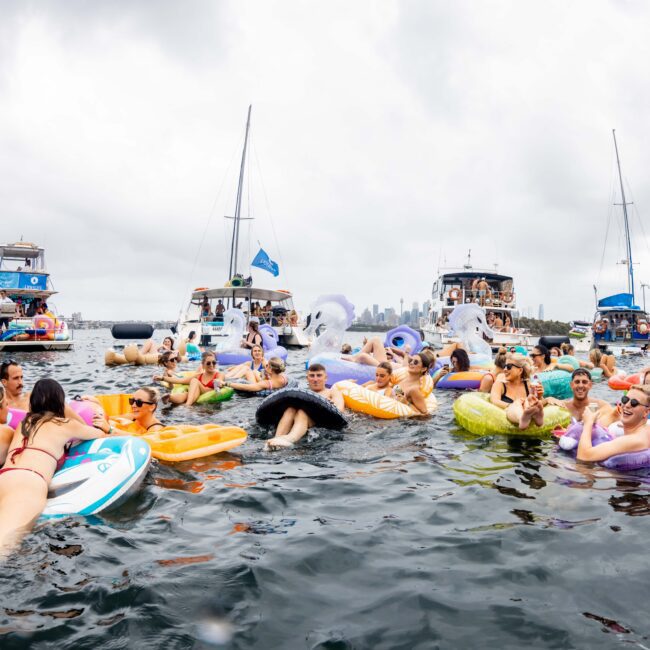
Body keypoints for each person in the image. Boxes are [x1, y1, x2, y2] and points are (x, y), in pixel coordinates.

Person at [0, 378, 108, 554]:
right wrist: (69, 410)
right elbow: (98, 434)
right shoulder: (66, 424)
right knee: (4, 549)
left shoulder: (24, 423)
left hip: (5, 476)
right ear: (60, 401)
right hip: (28, 483)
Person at [266, 364, 345, 450]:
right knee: (290, 409)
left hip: (323, 420)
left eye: (319, 375)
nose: (315, 379)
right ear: (307, 378)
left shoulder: (332, 392)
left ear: (325, 378)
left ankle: (290, 438)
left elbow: (339, 409)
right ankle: (277, 439)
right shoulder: (302, 393)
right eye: (312, 376)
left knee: (302, 412)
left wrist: (330, 404)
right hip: (300, 421)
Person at [577, 384, 650, 462]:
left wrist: (588, 422)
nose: (627, 405)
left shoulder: (633, 440)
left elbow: (584, 456)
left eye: (634, 403)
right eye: (625, 399)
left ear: (646, 412)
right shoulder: (646, 431)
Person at [490, 354, 544, 430]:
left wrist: (539, 396)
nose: (505, 369)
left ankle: (535, 415)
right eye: (504, 366)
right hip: (508, 428)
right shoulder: (500, 384)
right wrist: (515, 405)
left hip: (531, 434)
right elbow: (494, 401)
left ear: (520, 370)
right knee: (517, 404)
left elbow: (536, 400)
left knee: (531, 402)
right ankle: (522, 418)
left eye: (509, 366)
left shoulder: (529, 385)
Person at [545, 368, 614, 423]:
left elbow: (612, 414)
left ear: (590, 385)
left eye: (584, 382)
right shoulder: (564, 405)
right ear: (571, 385)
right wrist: (547, 399)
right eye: (577, 382)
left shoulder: (600, 405)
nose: (580, 385)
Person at [391, 350, 436, 415]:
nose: (411, 363)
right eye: (410, 360)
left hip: (403, 422)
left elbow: (425, 414)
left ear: (424, 369)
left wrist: (406, 402)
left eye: (416, 362)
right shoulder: (403, 380)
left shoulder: (414, 390)